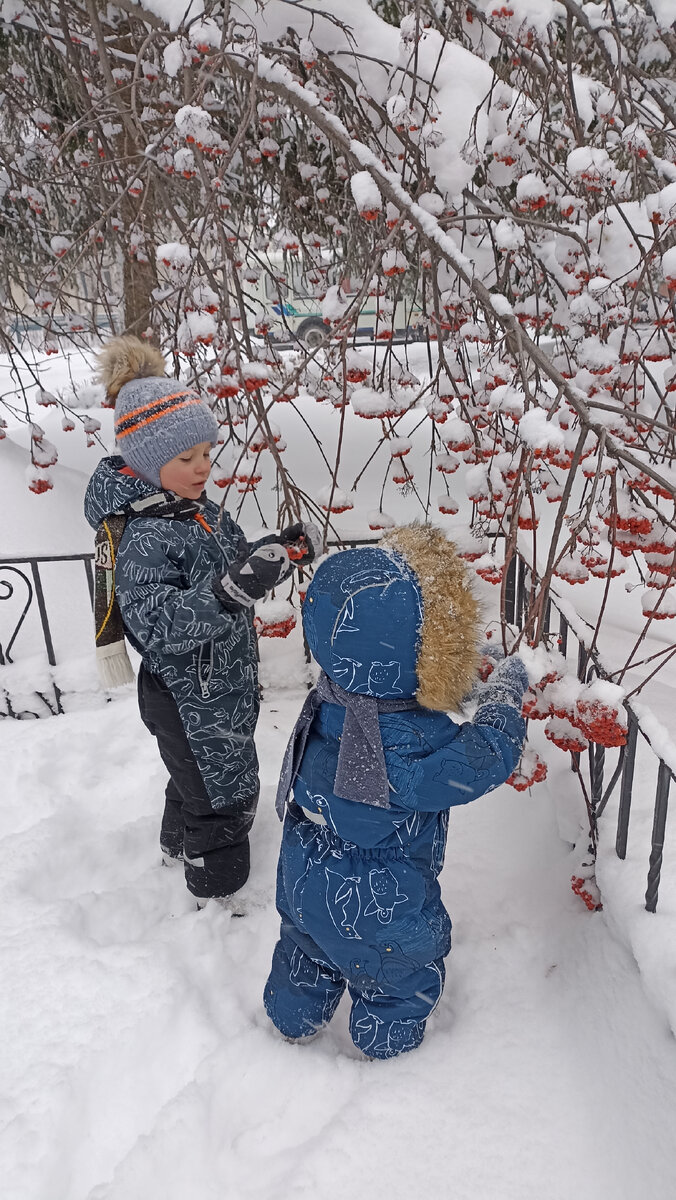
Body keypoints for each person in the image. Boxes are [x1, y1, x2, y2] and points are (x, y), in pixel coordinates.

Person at [264, 524, 528, 1058]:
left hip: (303, 871)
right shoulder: (413, 739)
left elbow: (389, 671)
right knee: (399, 970)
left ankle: (291, 1015)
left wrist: (457, 679)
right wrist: (501, 702)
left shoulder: (333, 695)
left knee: (306, 947)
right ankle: (385, 1042)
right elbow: (480, 761)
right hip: (378, 901)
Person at [84, 335, 319, 911]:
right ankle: (218, 901)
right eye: (186, 460)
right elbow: (159, 623)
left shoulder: (199, 513)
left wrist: (273, 554)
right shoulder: (140, 537)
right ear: (145, 462)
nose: (202, 469)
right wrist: (234, 588)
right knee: (222, 797)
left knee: (197, 778)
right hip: (185, 693)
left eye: (207, 455)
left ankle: (174, 847)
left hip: (219, 685)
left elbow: (232, 566)